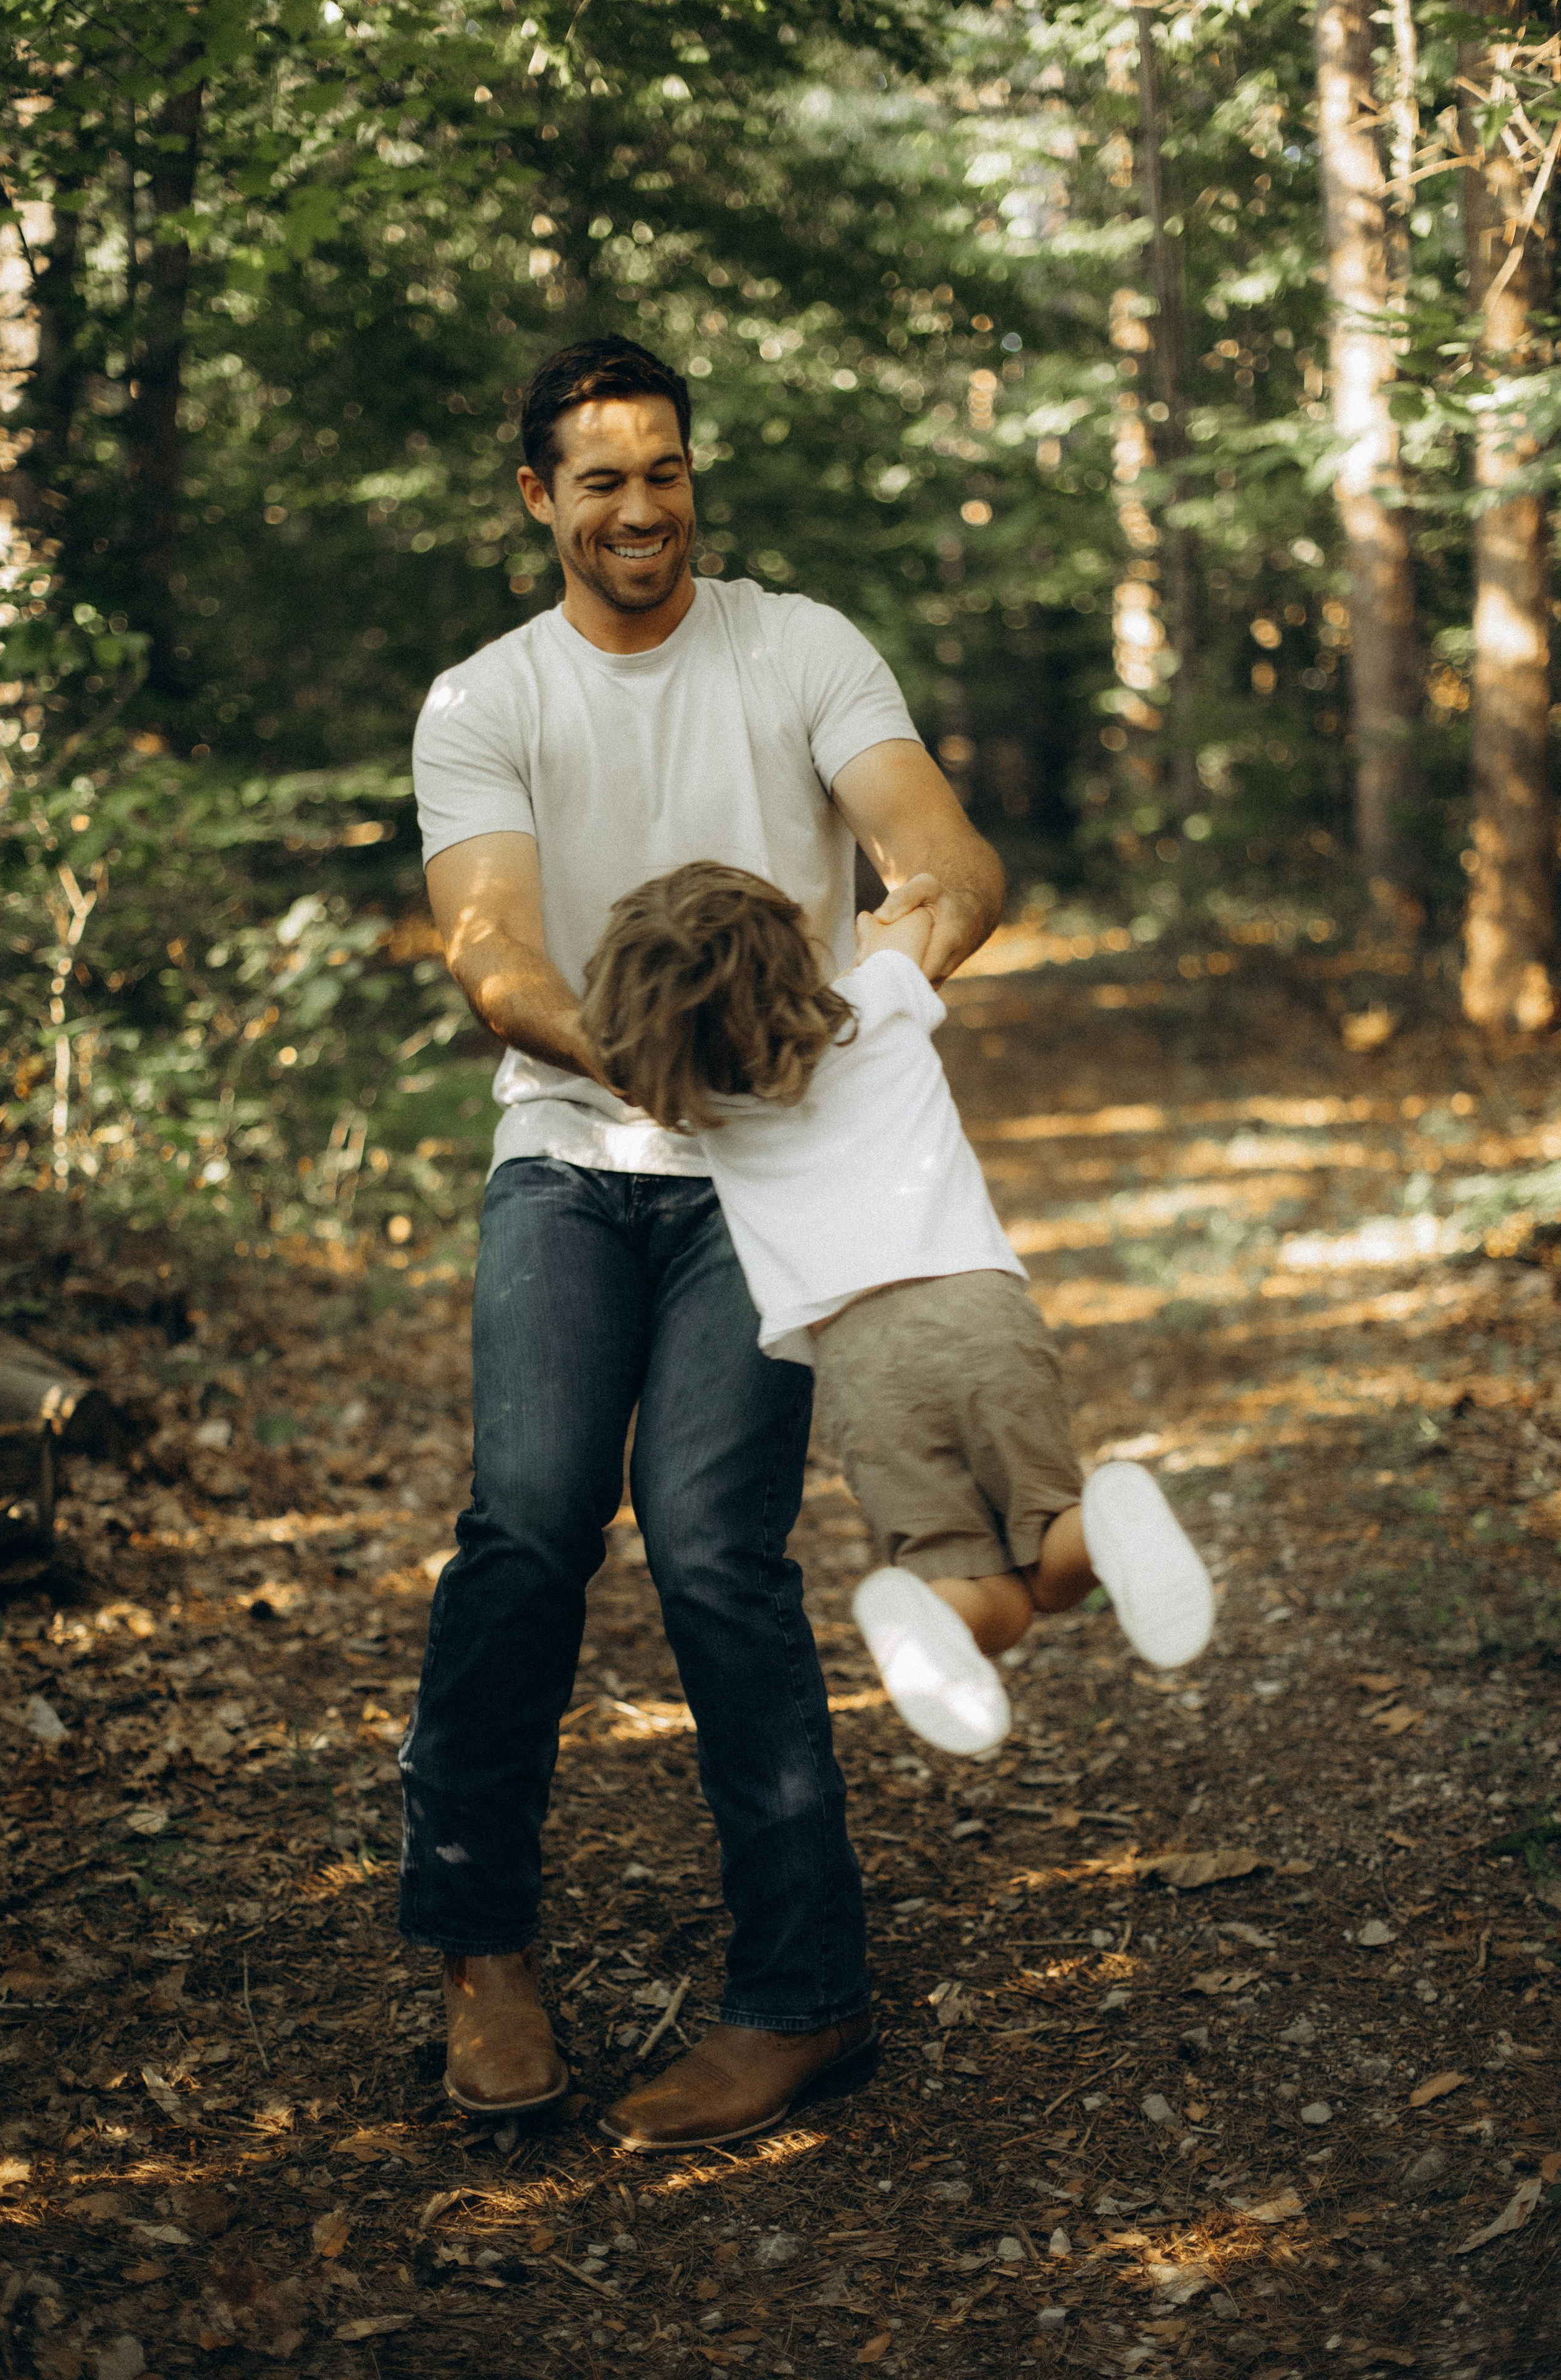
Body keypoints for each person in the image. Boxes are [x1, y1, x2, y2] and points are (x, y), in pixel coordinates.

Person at [402, 333, 1007, 2153]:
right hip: (572, 1153)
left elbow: (947, 866)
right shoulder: (484, 699)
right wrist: (645, 1051)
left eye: (662, 471)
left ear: (691, 478)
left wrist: (850, 1007)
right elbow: (494, 956)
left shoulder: (798, 648)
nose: (639, 507)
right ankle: (480, 1948)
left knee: (712, 1546)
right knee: (526, 1522)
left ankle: (805, 1998)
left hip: (775, 1171)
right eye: (600, 479)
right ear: (540, 498)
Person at [581, 862, 1216, 1758]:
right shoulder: (879, 1001)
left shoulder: (702, 1104)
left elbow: (630, 1064)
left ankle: (939, 1621)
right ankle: (1101, 1530)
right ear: (794, 948)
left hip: (860, 1362)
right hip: (979, 1312)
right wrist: (885, 925)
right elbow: (914, 921)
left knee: (988, 1592)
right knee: (1051, 1560)